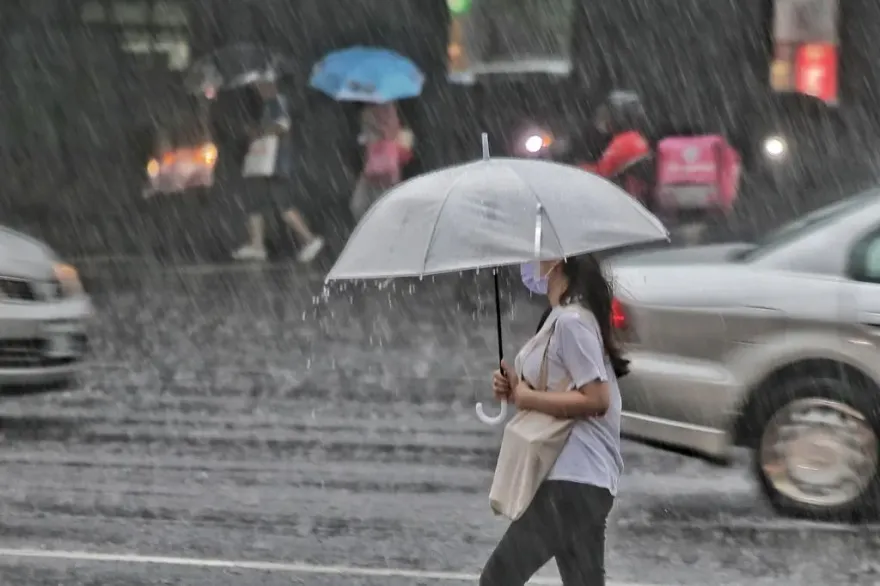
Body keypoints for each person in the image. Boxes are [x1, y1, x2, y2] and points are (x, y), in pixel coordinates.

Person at [482, 254, 629, 586]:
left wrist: (526, 396)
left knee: (498, 579)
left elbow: (596, 399)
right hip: (581, 482)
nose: (530, 261)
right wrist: (515, 387)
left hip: (572, 480)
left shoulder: (571, 322)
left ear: (558, 262)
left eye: (538, 253)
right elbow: (560, 388)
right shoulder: (560, 318)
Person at [232, 74, 324, 262]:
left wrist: (257, 132)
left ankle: (309, 239)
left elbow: (282, 127)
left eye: (260, 85)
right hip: (269, 161)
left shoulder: (276, 102)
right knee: (256, 200)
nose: (258, 89)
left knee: (282, 203)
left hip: (274, 161)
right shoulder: (270, 104)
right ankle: (256, 244)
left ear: (270, 85)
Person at [350, 101, 408, 221]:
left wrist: (375, 127)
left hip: (386, 169)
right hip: (372, 169)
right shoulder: (366, 112)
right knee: (360, 206)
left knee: (382, 208)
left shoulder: (387, 109)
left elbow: (392, 133)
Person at [593, 90, 653, 204]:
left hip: (617, 202)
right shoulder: (637, 139)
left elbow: (600, 177)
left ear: (620, 117)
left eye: (609, 115)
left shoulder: (621, 144)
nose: (606, 120)